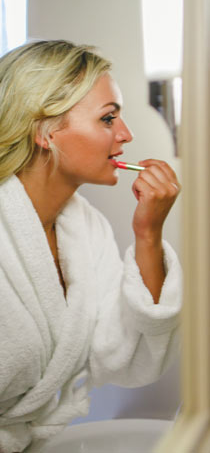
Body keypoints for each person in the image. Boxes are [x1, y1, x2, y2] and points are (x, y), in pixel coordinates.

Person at [0, 40, 182, 452]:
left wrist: (148, 234)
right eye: (107, 118)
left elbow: (129, 357)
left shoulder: (85, 229)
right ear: (45, 131)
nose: (126, 134)